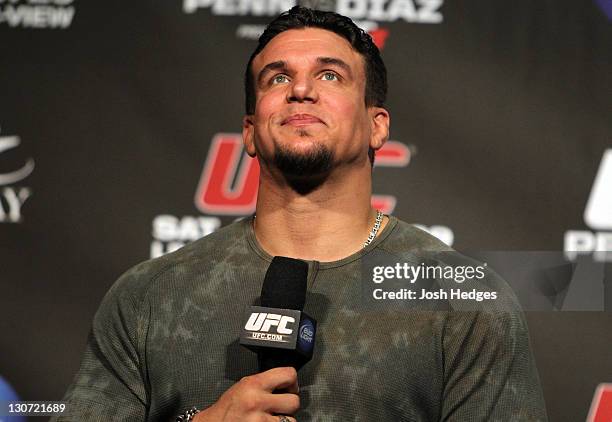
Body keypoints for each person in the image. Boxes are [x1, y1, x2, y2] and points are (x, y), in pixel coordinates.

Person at [54, 6, 548, 422]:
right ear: (249, 131)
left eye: (329, 75)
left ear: (378, 126)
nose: (301, 90)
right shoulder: (148, 297)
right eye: (279, 77)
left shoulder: (461, 304)